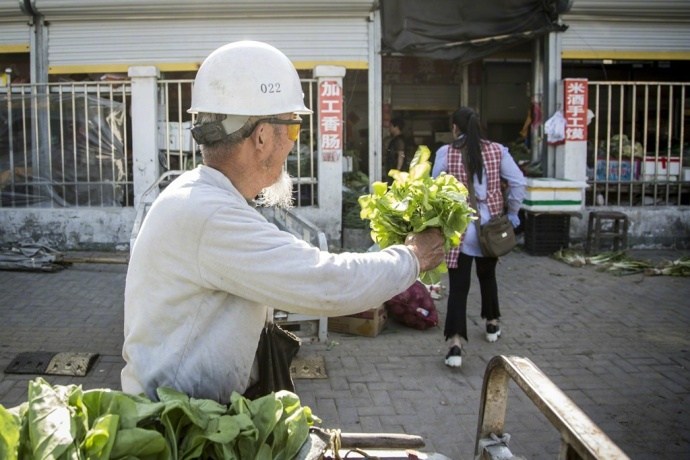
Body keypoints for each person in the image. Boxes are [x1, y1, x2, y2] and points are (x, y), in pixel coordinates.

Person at [121, 40, 445, 404]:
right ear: (261, 136)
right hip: (176, 426)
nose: (293, 143)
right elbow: (327, 282)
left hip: (187, 411)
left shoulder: (202, 197)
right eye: (293, 129)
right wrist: (413, 256)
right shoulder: (210, 213)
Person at [432, 106, 525, 368]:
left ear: (454, 128)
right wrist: (513, 212)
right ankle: (492, 323)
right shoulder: (498, 151)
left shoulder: (446, 153)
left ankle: (455, 346)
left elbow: (434, 186)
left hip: (460, 228)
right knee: (488, 275)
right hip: (491, 229)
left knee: (459, 288)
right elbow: (518, 182)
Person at [383, 117, 408, 183]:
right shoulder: (395, 139)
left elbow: (401, 155)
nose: (389, 128)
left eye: (390, 126)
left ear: (396, 127)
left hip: (396, 171)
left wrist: (398, 170)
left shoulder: (399, 140)